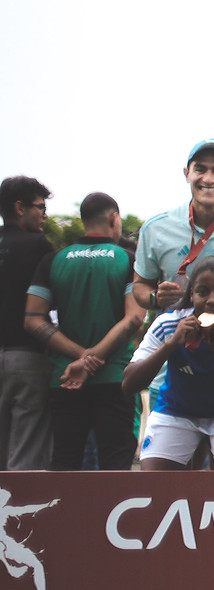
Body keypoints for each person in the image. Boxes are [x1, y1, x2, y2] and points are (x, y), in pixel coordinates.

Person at [24, 192, 142, 471]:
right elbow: (134, 318)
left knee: (64, 465)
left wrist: (80, 357)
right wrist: (93, 359)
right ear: (114, 219)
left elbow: (32, 319)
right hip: (116, 377)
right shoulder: (127, 259)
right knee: (116, 466)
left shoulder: (54, 260)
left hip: (64, 378)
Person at [122, 254, 214, 470]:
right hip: (177, 411)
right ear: (192, 294)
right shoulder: (169, 323)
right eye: (203, 292)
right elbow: (129, 384)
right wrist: (171, 345)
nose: (212, 300)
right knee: (152, 481)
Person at [131, 140, 214, 323]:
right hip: (173, 342)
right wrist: (155, 298)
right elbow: (141, 285)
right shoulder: (155, 228)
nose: (209, 179)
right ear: (187, 174)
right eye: (200, 169)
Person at [0, 176, 56, 469]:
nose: (44, 215)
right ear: (20, 207)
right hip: (25, 356)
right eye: (41, 208)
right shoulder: (37, 245)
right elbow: (56, 299)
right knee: (27, 452)